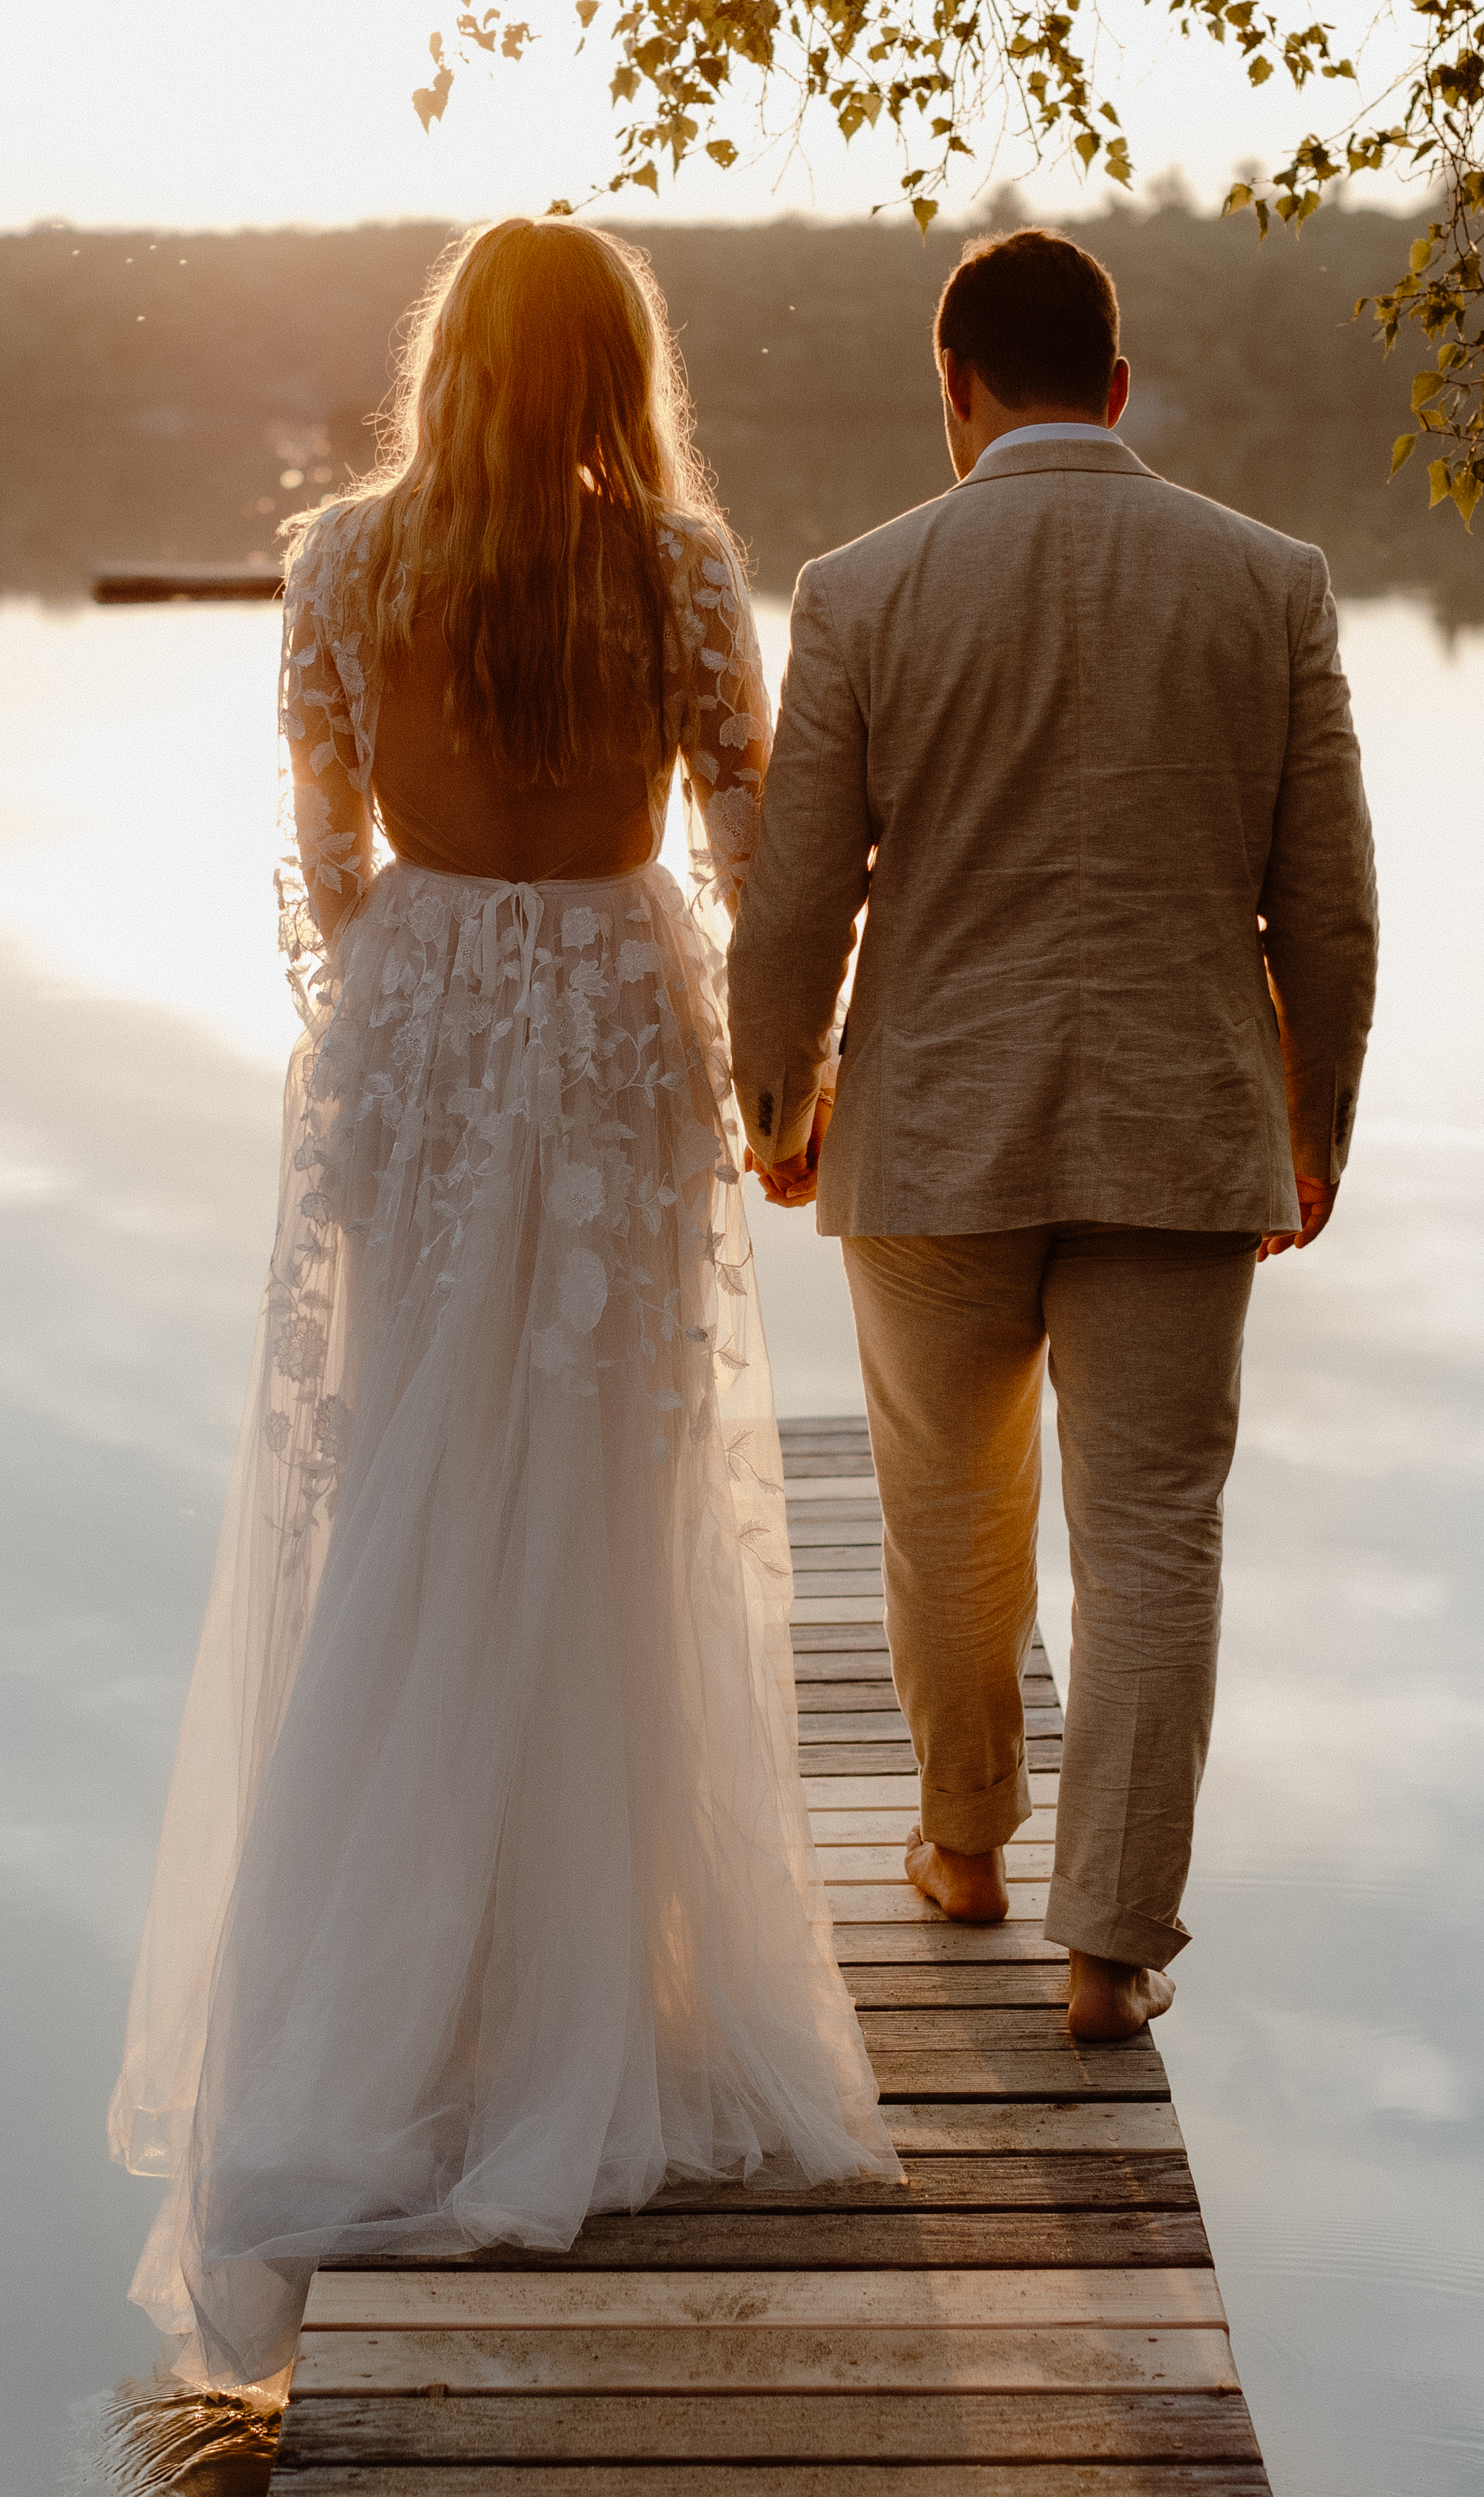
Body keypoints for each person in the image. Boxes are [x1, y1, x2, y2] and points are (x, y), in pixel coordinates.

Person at [109, 217, 898, 2400]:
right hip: (617, 1005)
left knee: (405, 1486)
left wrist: (386, 1019)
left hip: (428, 1015)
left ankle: (396, 2014)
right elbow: (747, 840)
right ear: (616, 368)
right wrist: (781, 1074)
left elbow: (321, 843)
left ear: (446, 359)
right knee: (605, 1485)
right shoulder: (669, 564)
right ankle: (580, 1992)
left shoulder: (343, 560)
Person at [730, 228, 1380, 2047]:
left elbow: (795, 903)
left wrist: (776, 1102)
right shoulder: (1270, 582)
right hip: (1181, 1127)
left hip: (932, 1125)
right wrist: (1312, 1115)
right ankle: (1109, 1946)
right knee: (1155, 1532)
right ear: (1115, 385)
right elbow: (1323, 906)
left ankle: (960, 1848)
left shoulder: (860, 588)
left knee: (949, 1509)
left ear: (952, 389)